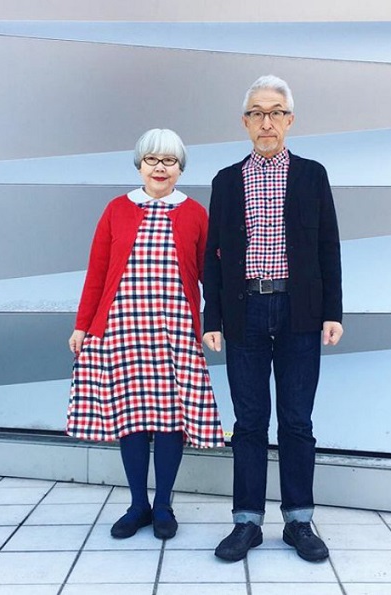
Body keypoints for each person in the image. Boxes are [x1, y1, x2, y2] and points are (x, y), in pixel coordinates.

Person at [203, 75, 343, 562]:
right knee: (248, 422)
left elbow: (328, 246)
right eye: (258, 113)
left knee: (296, 420)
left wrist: (332, 312)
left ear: (290, 120)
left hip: (299, 312)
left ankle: (299, 521)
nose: (267, 122)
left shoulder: (312, 175)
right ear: (245, 122)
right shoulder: (226, 181)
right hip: (245, 312)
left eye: (276, 113)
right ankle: (246, 523)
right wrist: (212, 317)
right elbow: (213, 257)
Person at [67, 128, 225, 541]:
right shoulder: (117, 209)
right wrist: (83, 325)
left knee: (171, 418)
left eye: (169, 160)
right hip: (122, 328)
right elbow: (98, 270)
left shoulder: (195, 213)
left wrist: (216, 322)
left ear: (180, 169)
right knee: (132, 417)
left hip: (175, 330)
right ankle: (138, 504)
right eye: (152, 159)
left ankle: (164, 504)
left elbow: (211, 275)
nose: (160, 167)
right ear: (139, 165)